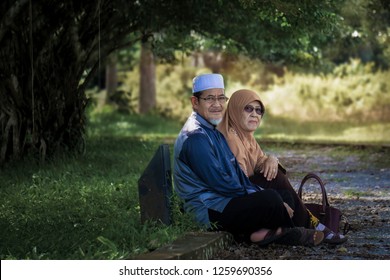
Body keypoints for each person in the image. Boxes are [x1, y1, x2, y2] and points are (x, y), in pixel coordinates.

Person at [173, 73, 324, 246]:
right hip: (207, 210)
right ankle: (291, 232)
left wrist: (263, 191)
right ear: (195, 102)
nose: (217, 104)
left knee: (280, 195)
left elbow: (235, 174)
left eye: (221, 98)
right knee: (271, 200)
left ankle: (262, 234)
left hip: (221, 201)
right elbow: (222, 183)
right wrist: (262, 195)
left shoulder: (211, 131)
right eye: (209, 99)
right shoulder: (196, 137)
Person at [217, 89, 347, 244]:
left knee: (283, 191)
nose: (254, 114)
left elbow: (260, 162)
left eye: (259, 111)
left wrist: (272, 159)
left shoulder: (245, 137)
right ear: (235, 109)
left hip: (244, 196)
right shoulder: (232, 140)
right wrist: (278, 203)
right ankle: (308, 226)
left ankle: (286, 230)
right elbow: (238, 186)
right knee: (278, 185)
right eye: (248, 109)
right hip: (232, 203)